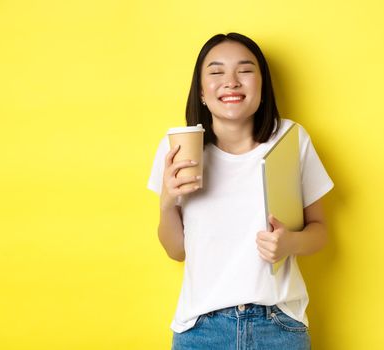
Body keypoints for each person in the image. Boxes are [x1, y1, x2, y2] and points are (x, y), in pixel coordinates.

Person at [147, 32, 334, 350]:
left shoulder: (290, 139)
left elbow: (321, 232)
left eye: (245, 71)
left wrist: (289, 242)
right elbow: (177, 251)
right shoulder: (178, 148)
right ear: (202, 91)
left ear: (262, 86)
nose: (231, 82)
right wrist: (167, 204)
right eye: (216, 72)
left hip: (279, 326)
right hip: (201, 330)